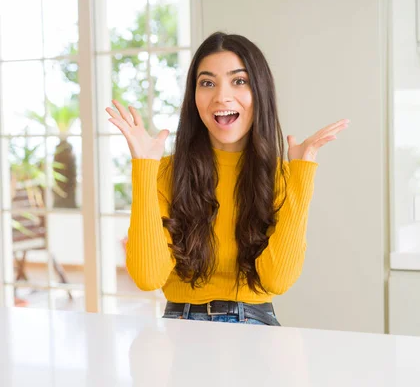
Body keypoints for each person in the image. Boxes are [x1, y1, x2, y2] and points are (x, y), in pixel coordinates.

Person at [106, 32, 348, 326]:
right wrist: (144, 167)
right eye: (207, 83)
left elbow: (278, 280)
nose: (221, 96)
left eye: (239, 81)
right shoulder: (166, 173)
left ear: (259, 91)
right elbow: (148, 277)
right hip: (180, 325)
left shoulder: (281, 177)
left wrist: (301, 175)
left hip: (255, 324)